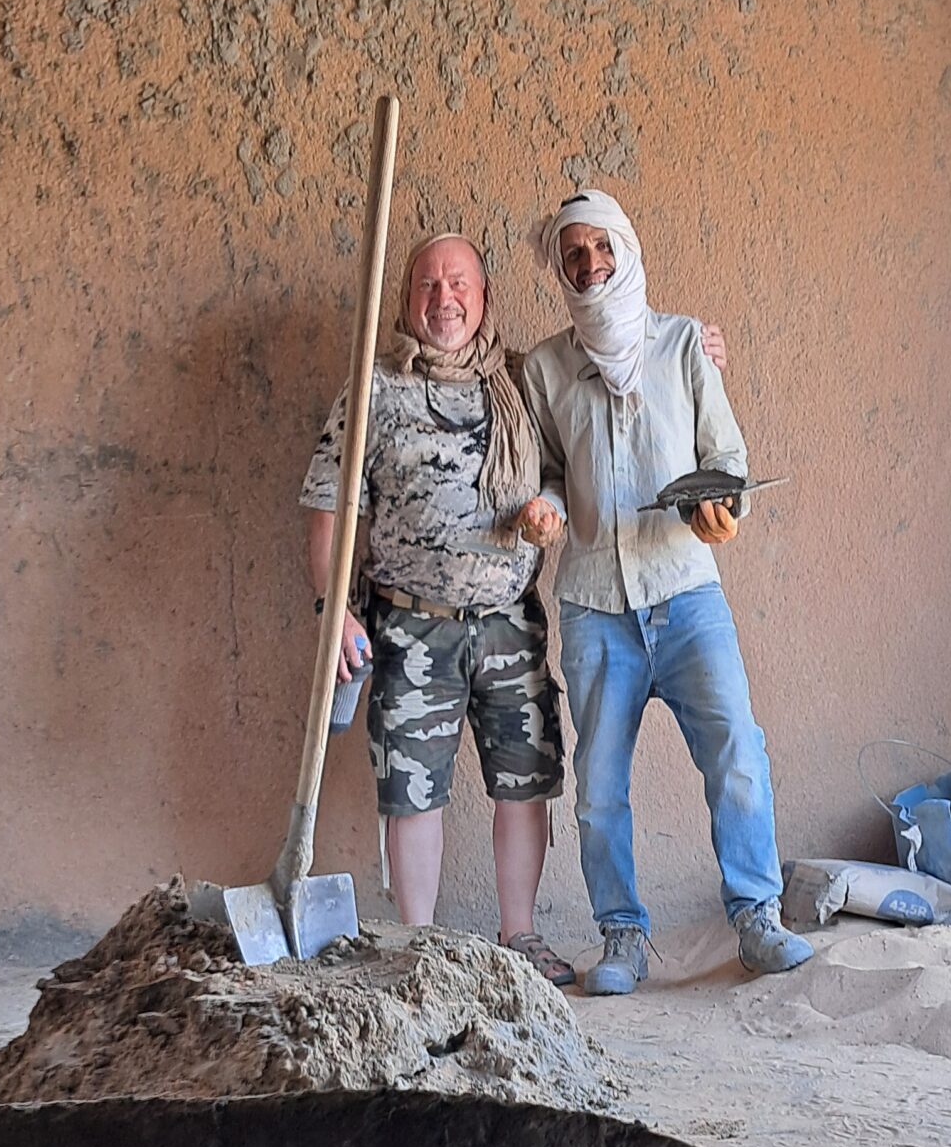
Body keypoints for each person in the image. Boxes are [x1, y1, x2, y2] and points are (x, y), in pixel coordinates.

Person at [516, 189, 811, 996]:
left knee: (737, 752)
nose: (590, 264)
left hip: (686, 593)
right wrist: (543, 506)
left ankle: (757, 918)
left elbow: (726, 458)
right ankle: (622, 937)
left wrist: (726, 509)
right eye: (573, 255)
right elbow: (547, 468)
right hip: (593, 605)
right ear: (561, 272)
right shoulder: (544, 370)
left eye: (601, 247)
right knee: (599, 786)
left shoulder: (683, 344)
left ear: (627, 249)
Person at [299, 233, 575, 983]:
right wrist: (334, 610)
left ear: (484, 298)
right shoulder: (374, 389)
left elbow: (584, 433)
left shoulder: (523, 384)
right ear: (406, 300)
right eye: (427, 285)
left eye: (458, 284)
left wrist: (693, 349)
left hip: (510, 622)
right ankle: (417, 947)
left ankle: (520, 936)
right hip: (410, 625)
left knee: (525, 780)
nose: (443, 299)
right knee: (411, 789)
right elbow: (329, 509)